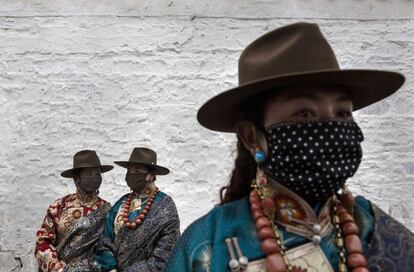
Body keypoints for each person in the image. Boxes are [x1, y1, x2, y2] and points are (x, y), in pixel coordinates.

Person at [166, 22, 414, 272]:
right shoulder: (208, 242)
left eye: (342, 113)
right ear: (252, 137)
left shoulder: (374, 227)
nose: (329, 128)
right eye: (305, 113)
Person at [94, 147, 180, 272]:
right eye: (129, 171)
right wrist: (110, 269)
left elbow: (165, 254)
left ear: (151, 176)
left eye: (137, 171)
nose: (131, 175)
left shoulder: (165, 205)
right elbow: (105, 242)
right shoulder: (120, 204)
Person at [35, 150, 113, 272]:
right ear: (76, 179)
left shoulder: (108, 210)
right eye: (88, 174)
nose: (95, 178)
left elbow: (109, 247)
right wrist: (59, 269)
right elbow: (43, 242)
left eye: (97, 174)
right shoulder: (59, 207)